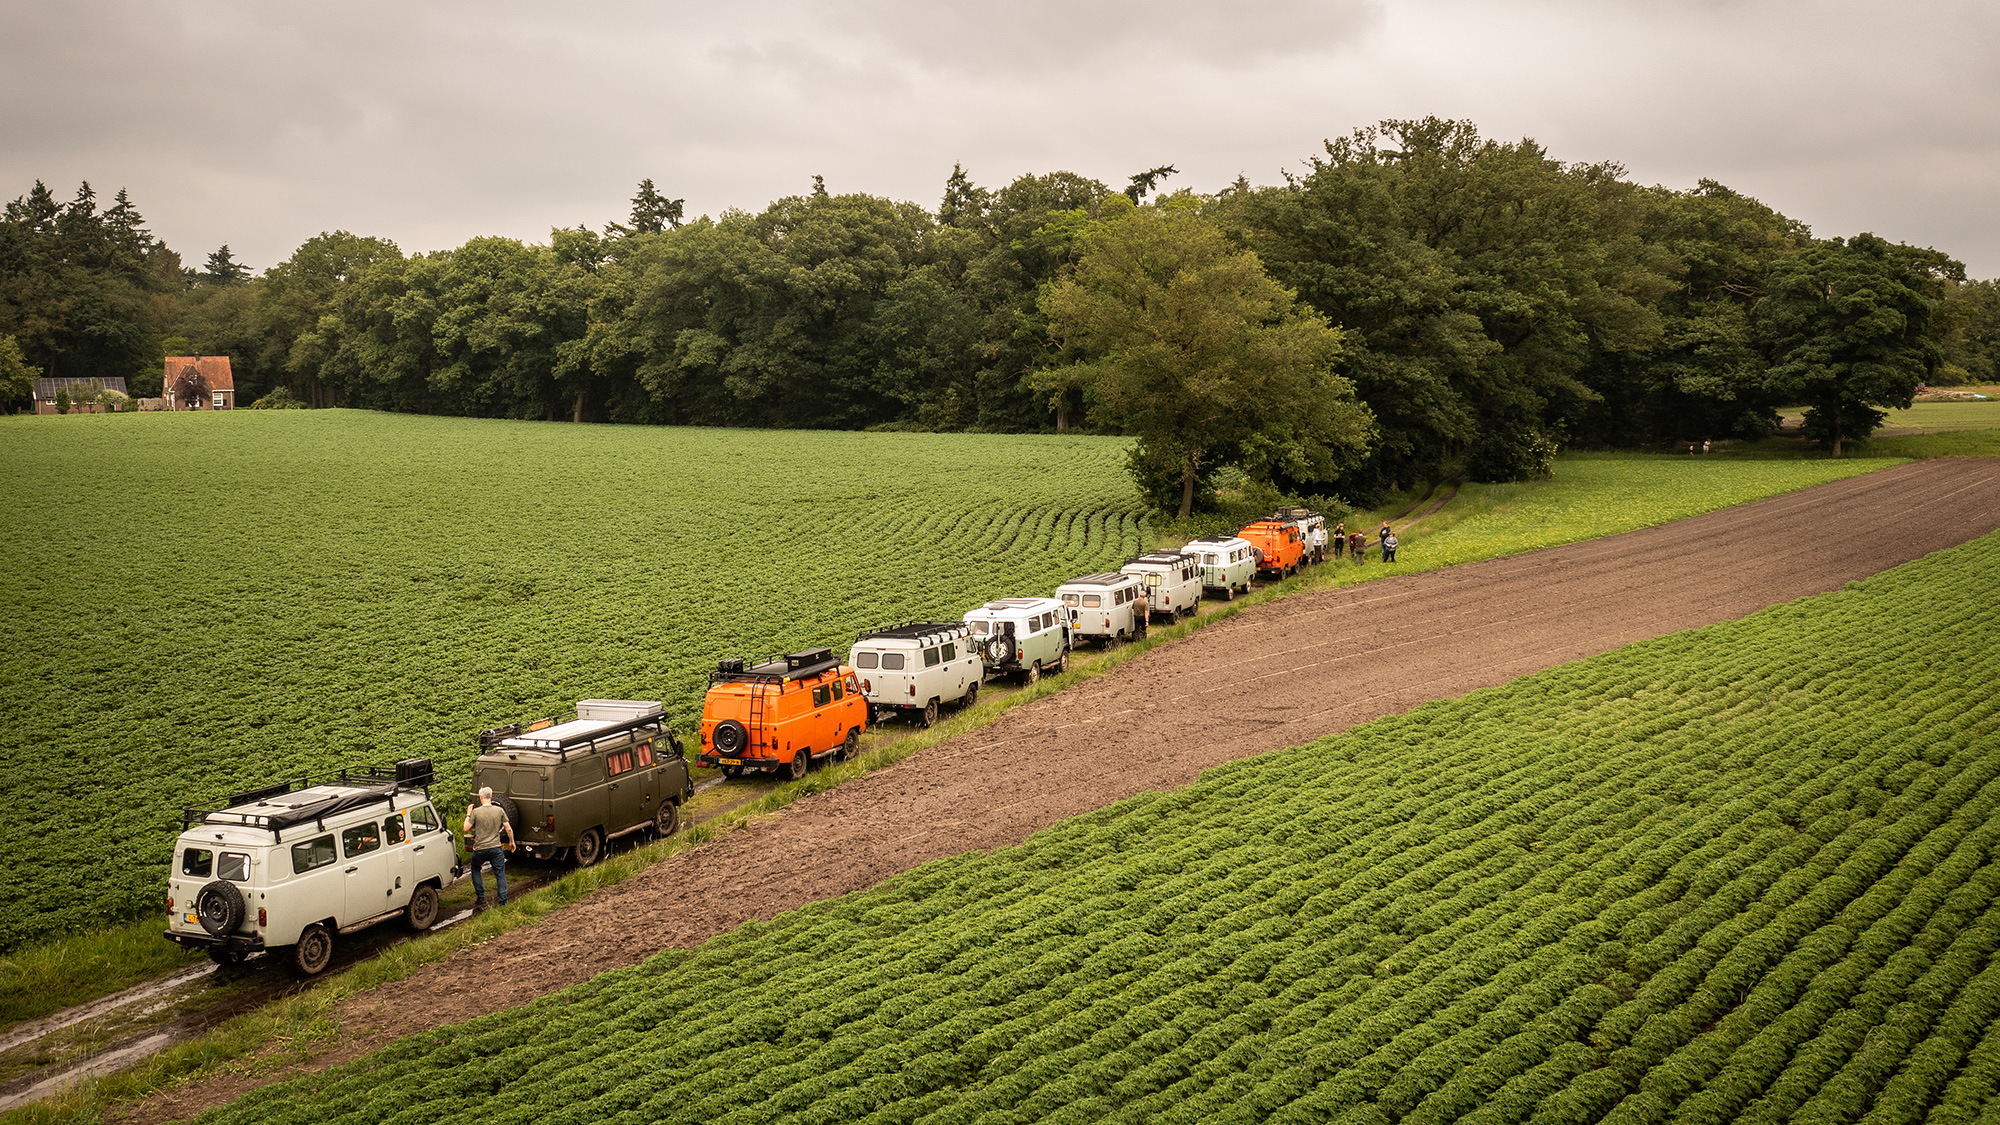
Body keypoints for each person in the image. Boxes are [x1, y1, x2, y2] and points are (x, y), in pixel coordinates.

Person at [463, 787, 514, 908]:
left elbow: (465, 828)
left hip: (480, 848)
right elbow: (508, 828)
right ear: (491, 797)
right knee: (500, 874)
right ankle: (503, 902)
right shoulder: (499, 810)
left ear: (481, 798)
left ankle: (480, 897)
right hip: (495, 848)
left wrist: (468, 814)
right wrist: (512, 841)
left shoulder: (476, 812)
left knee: (475, 869)